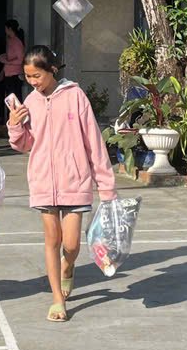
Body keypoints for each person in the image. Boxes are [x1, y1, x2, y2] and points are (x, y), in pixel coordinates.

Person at [7, 45, 117, 323]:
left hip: (75, 181)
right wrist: (15, 125)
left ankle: (68, 266)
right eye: (28, 76)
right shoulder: (30, 102)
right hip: (43, 181)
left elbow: (94, 142)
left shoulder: (75, 96)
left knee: (71, 244)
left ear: (52, 70)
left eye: (37, 76)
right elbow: (24, 145)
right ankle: (57, 299)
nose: (32, 82)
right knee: (51, 241)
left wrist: (106, 186)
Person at [0, 19, 26, 122]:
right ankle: (12, 121)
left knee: (15, 100)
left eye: (6, 28)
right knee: (10, 100)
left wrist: (6, 61)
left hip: (15, 74)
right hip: (9, 73)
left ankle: (18, 121)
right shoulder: (10, 40)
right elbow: (11, 57)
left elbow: (20, 59)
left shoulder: (16, 42)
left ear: (9, 29)